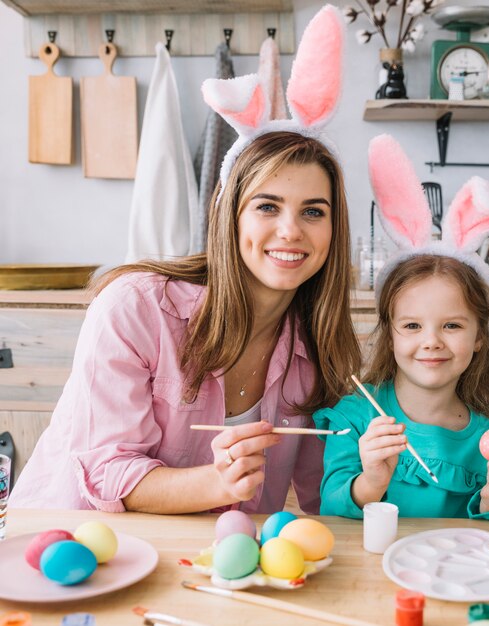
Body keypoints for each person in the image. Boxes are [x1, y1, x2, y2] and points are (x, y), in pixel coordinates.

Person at [10, 6, 359, 515]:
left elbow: (322, 493)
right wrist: (217, 485)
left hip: (205, 565)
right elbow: (106, 473)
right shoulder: (135, 308)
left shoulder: (317, 344)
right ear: (227, 214)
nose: (291, 231)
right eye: (267, 206)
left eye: (313, 211)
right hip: (74, 550)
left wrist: (374, 475)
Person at [314, 134, 489, 520]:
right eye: (412, 325)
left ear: (480, 336)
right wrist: (372, 481)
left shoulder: (487, 439)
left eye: (451, 325)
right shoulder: (355, 417)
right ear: (391, 333)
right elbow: (332, 507)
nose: (431, 342)